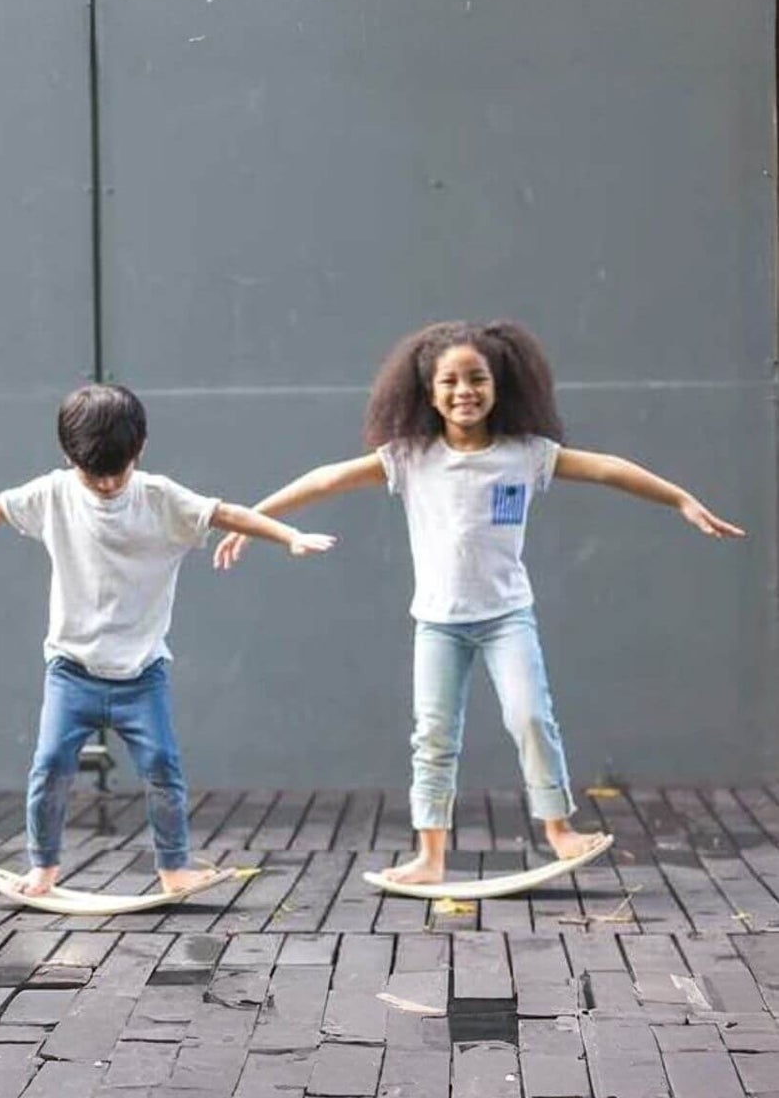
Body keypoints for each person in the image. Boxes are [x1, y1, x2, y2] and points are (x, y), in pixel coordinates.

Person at [213, 320, 744, 885]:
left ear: (499, 385)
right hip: (437, 624)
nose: (464, 391)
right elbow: (326, 480)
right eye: (450, 381)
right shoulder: (409, 457)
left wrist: (680, 499)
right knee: (434, 737)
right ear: (428, 391)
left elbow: (609, 469)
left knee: (531, 717)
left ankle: (559, 829)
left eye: (476, 378)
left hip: (506, 618)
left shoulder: (527, 455)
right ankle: (431, 855)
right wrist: (255, 518)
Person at [0, 382, 337, 896]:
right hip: (70, 670)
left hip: (142, 674)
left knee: (161, 767)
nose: (106, 485)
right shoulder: (53, 494)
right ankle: (42, 868)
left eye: (117, 472)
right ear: (68, 456)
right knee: (50, 768)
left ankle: (175, 869)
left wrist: (288, 537)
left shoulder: (160, 498)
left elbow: (225, 513)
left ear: (140, 449)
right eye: (93, 475)